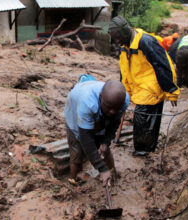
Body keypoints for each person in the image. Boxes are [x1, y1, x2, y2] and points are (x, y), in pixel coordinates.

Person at [108, 16, 180, 156]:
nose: (116, 41)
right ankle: (147, 147)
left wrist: (171, 90)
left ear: (125, 31)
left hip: (152, 86)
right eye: (114, 38)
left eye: (118, 37)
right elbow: (124, 69)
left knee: (142, 117)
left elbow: (163, 65)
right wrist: (125, 90)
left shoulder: (146, 41)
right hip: (138, 86)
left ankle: (143, 151)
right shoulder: (124, 44)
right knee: (146, 120)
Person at [64, 77, 129, 186]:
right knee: (77, 152)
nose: (113, 112)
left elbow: (114, 123)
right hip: (75, 111)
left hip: (98, 110)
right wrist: (102, 168)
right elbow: (86, 139)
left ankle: (113, 177)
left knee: (104, 150)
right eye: (109, 107)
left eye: (115, 108)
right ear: (100, 98)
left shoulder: (123, 100)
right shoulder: (87, 102)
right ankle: (74, 180)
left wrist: (105, 142)